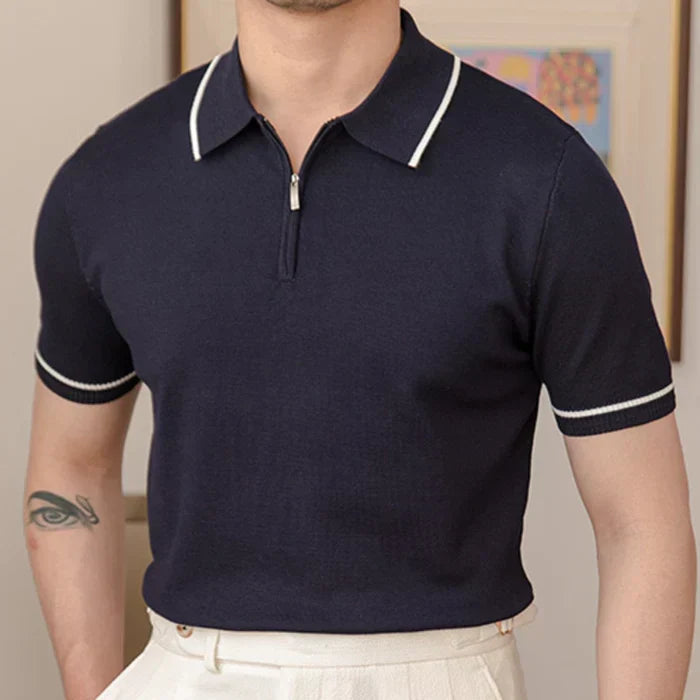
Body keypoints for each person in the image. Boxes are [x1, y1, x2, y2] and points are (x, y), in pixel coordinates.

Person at [24, 0, 695, 698]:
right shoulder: (107, 180)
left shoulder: (547, 179)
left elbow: (642, 522)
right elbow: (72, 468)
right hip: (182, 671)